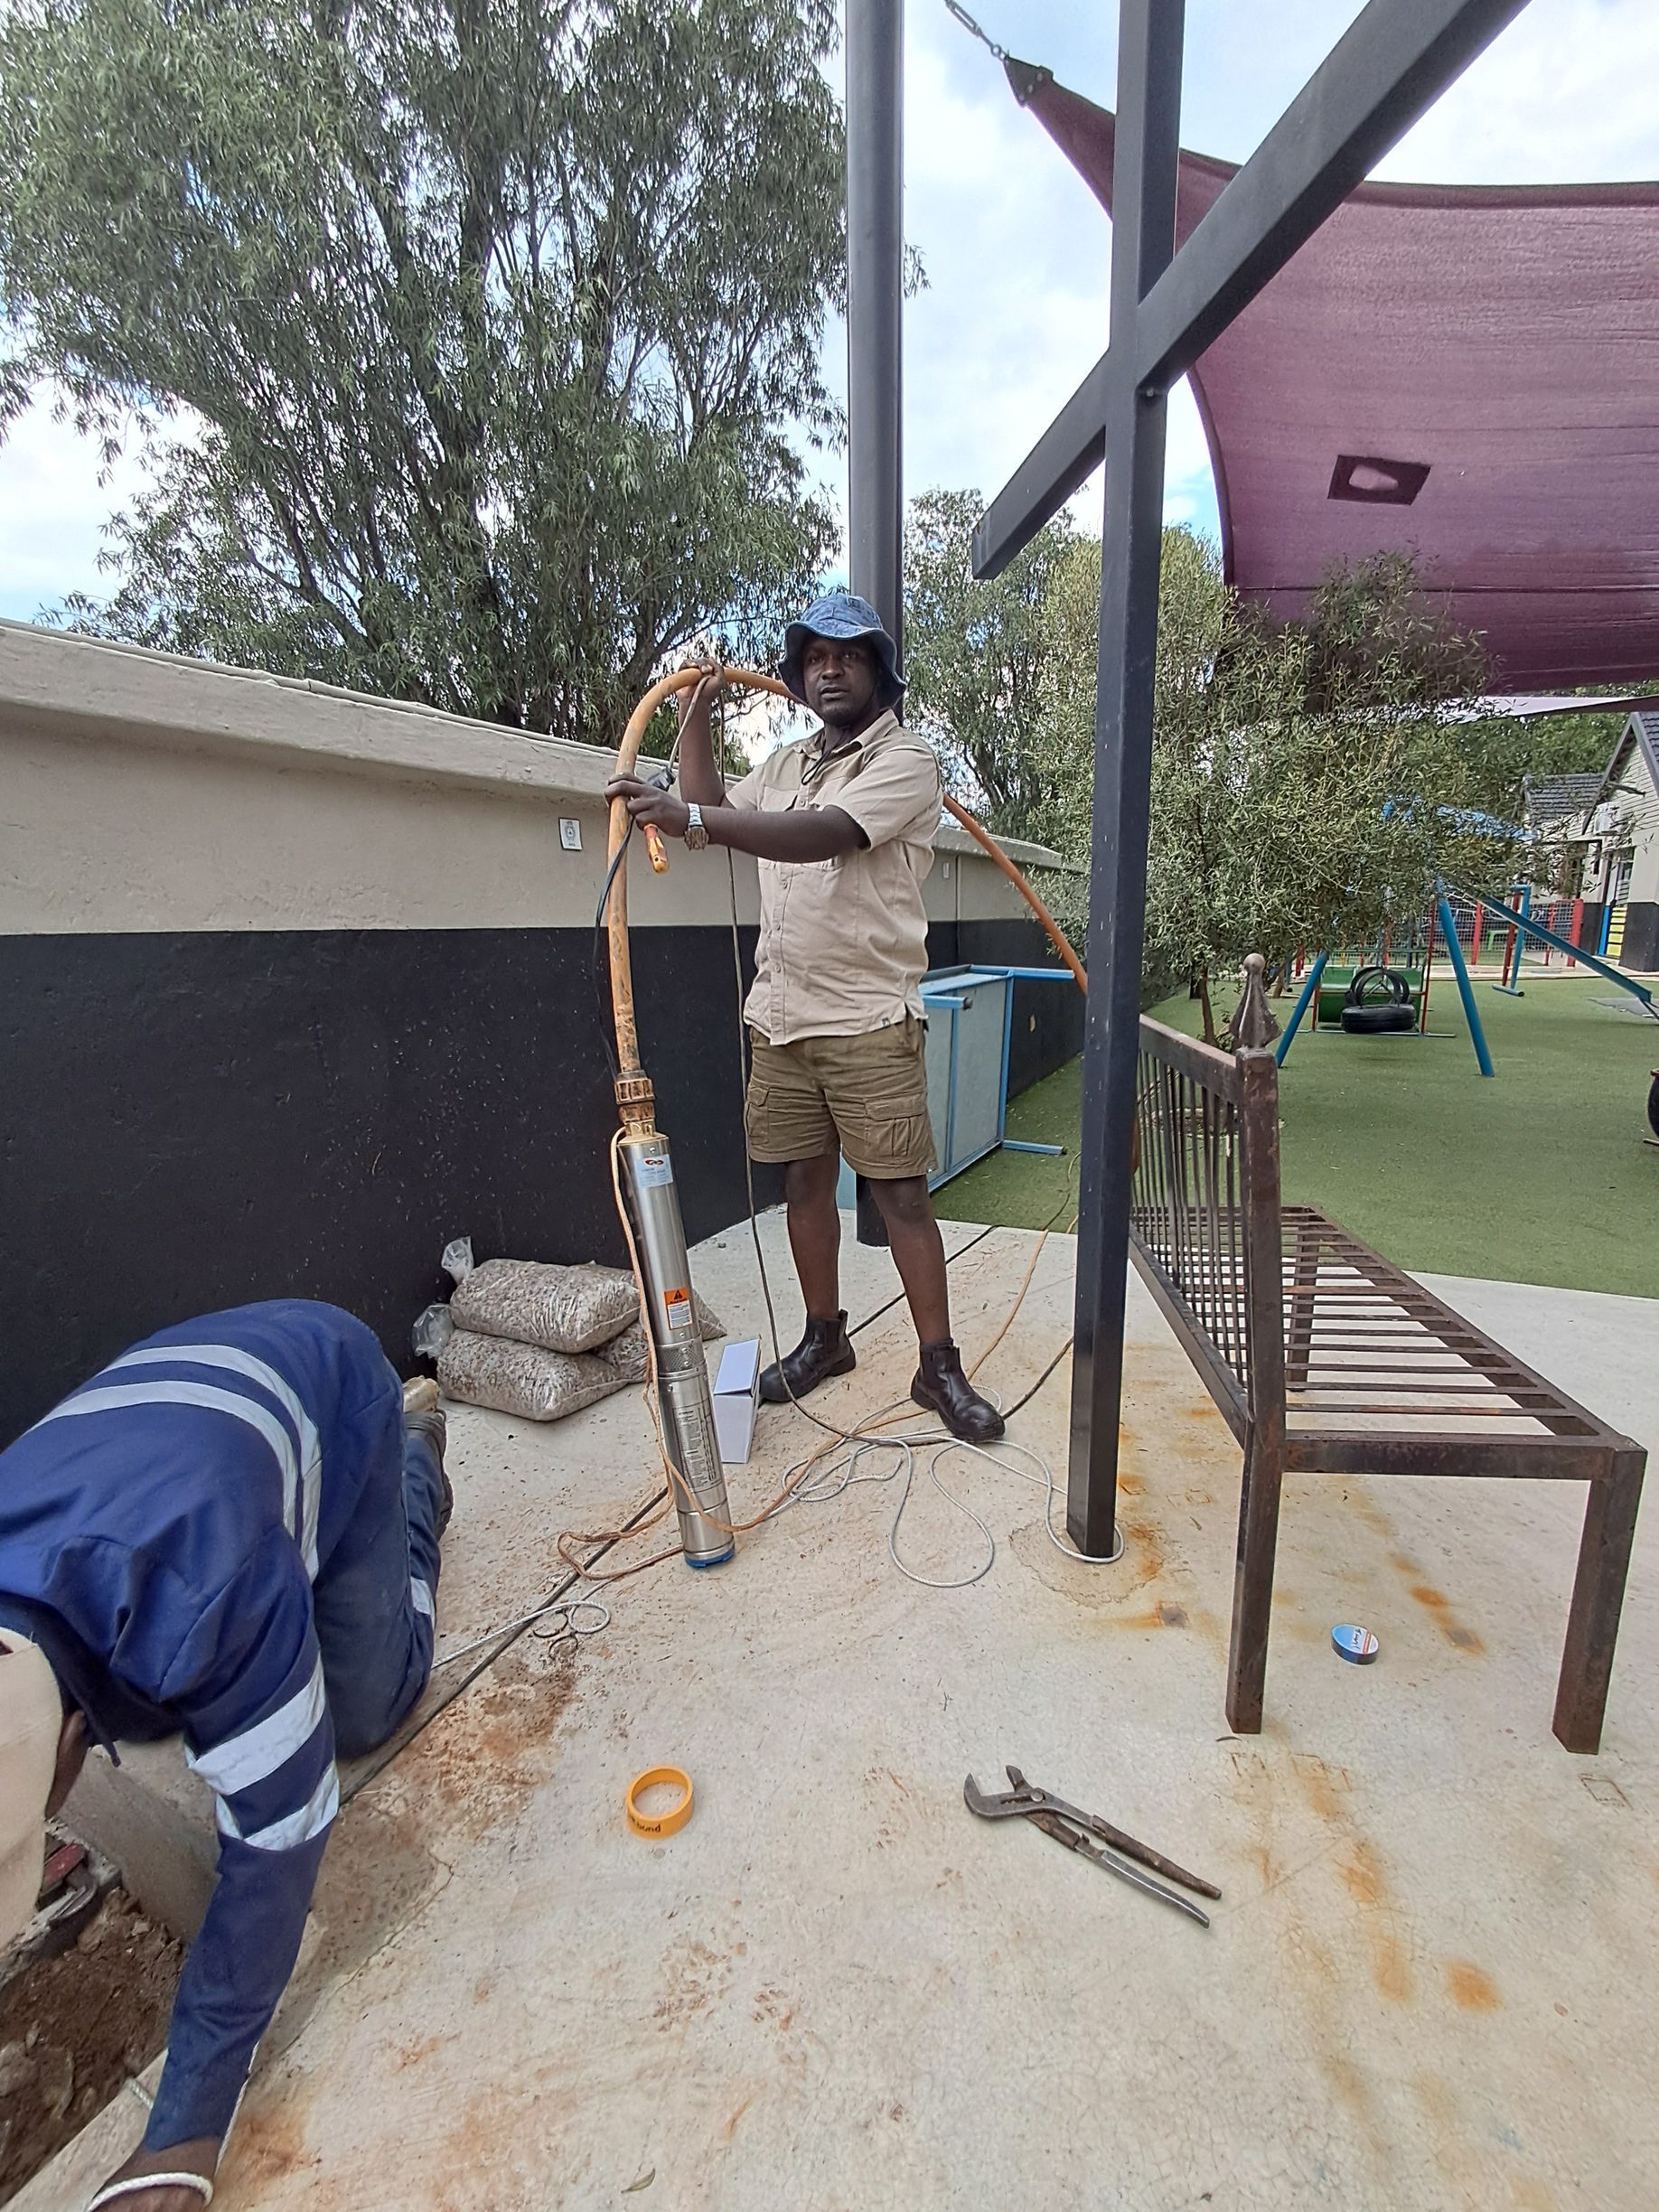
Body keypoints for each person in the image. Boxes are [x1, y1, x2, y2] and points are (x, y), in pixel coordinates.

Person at [0, 1301, 450, 2212]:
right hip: (185, 1391)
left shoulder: (199, 1590)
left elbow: (279, 1841)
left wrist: (186, 2129)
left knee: (365, 1708)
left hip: (330, 1380)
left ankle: (417, 1464)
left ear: (70, 1741)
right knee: (183, 1701)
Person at [606, 590, 1004, 1444]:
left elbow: (824, 833)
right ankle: (827, 1338)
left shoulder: (907, 761)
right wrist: (698, 710)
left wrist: (695, 817)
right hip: (781, 1019)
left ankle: (939, 1368)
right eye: (815, 658)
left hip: (868, 1018)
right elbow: (713, 804)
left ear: (878, 673)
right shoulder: (785, 763)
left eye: (848, 656)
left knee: (900, 1194)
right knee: (802, 1185)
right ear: (799, 675)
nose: (830, 671)